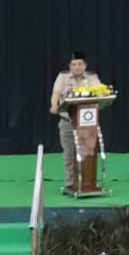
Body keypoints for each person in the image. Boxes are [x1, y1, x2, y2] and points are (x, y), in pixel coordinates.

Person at [47, 53, 99, 193]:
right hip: (67, 121)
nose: (77, 67)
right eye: (74, 64)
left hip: (87, 123)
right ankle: (70, 183)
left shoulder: (92, 77)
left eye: (80, 64)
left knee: (87, 152)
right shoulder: (63, 76)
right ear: (70, 66)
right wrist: (54, 105)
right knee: (69, 153)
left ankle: (88, 182)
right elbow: (56, 93)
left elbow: (100, 94)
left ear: (85, 66)